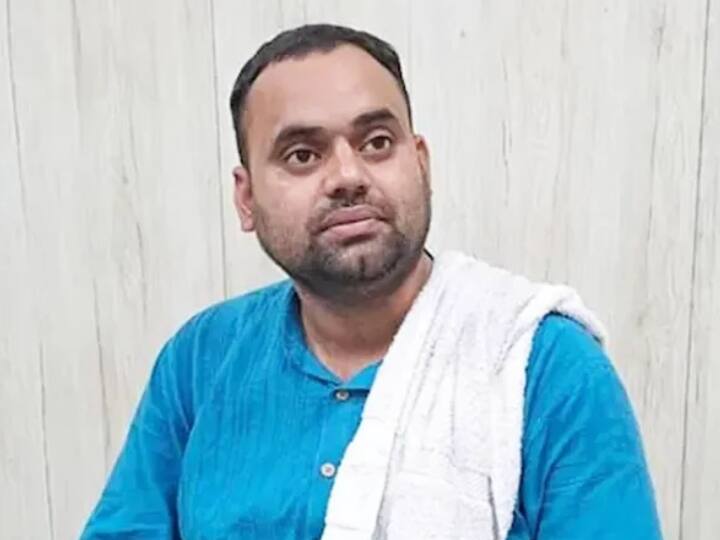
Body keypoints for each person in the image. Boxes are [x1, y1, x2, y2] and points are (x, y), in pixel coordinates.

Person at [81, 24, 662, 539]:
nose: (348, 175)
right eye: (302, 154)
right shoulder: (201, 360)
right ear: (247, 197)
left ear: (421, 162)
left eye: (377, 143)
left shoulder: (544, 367)